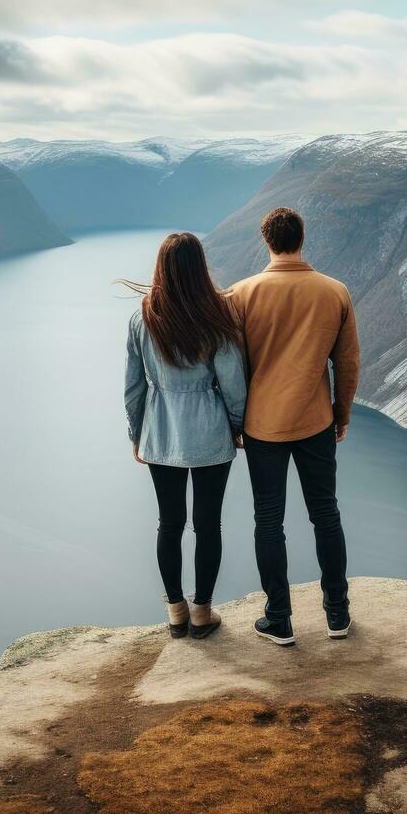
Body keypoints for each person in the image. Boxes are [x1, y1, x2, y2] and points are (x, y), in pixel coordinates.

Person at [228, 207, 359, 646]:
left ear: (267, 242)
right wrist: (341, 413)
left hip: (263, 426)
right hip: (316, 419)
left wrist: (235, 422)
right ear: (301, 238)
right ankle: (337, 615)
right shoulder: (334, 291)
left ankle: (279, 620)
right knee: (326, 514)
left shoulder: (241, 294)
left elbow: (232, 368)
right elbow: (347, 362)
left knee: (269, 520)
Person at [122, 232, 247, 640]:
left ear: (162, 268)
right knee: (208, 525)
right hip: (210, 433)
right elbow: (232, 383)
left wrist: (136, 434)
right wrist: (236, 427)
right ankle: (201, 612)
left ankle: (175, 611)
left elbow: (133, 386)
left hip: (161, 432)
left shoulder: (143, 316)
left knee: (169, 523)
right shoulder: (217, 314)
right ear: (200, 268)